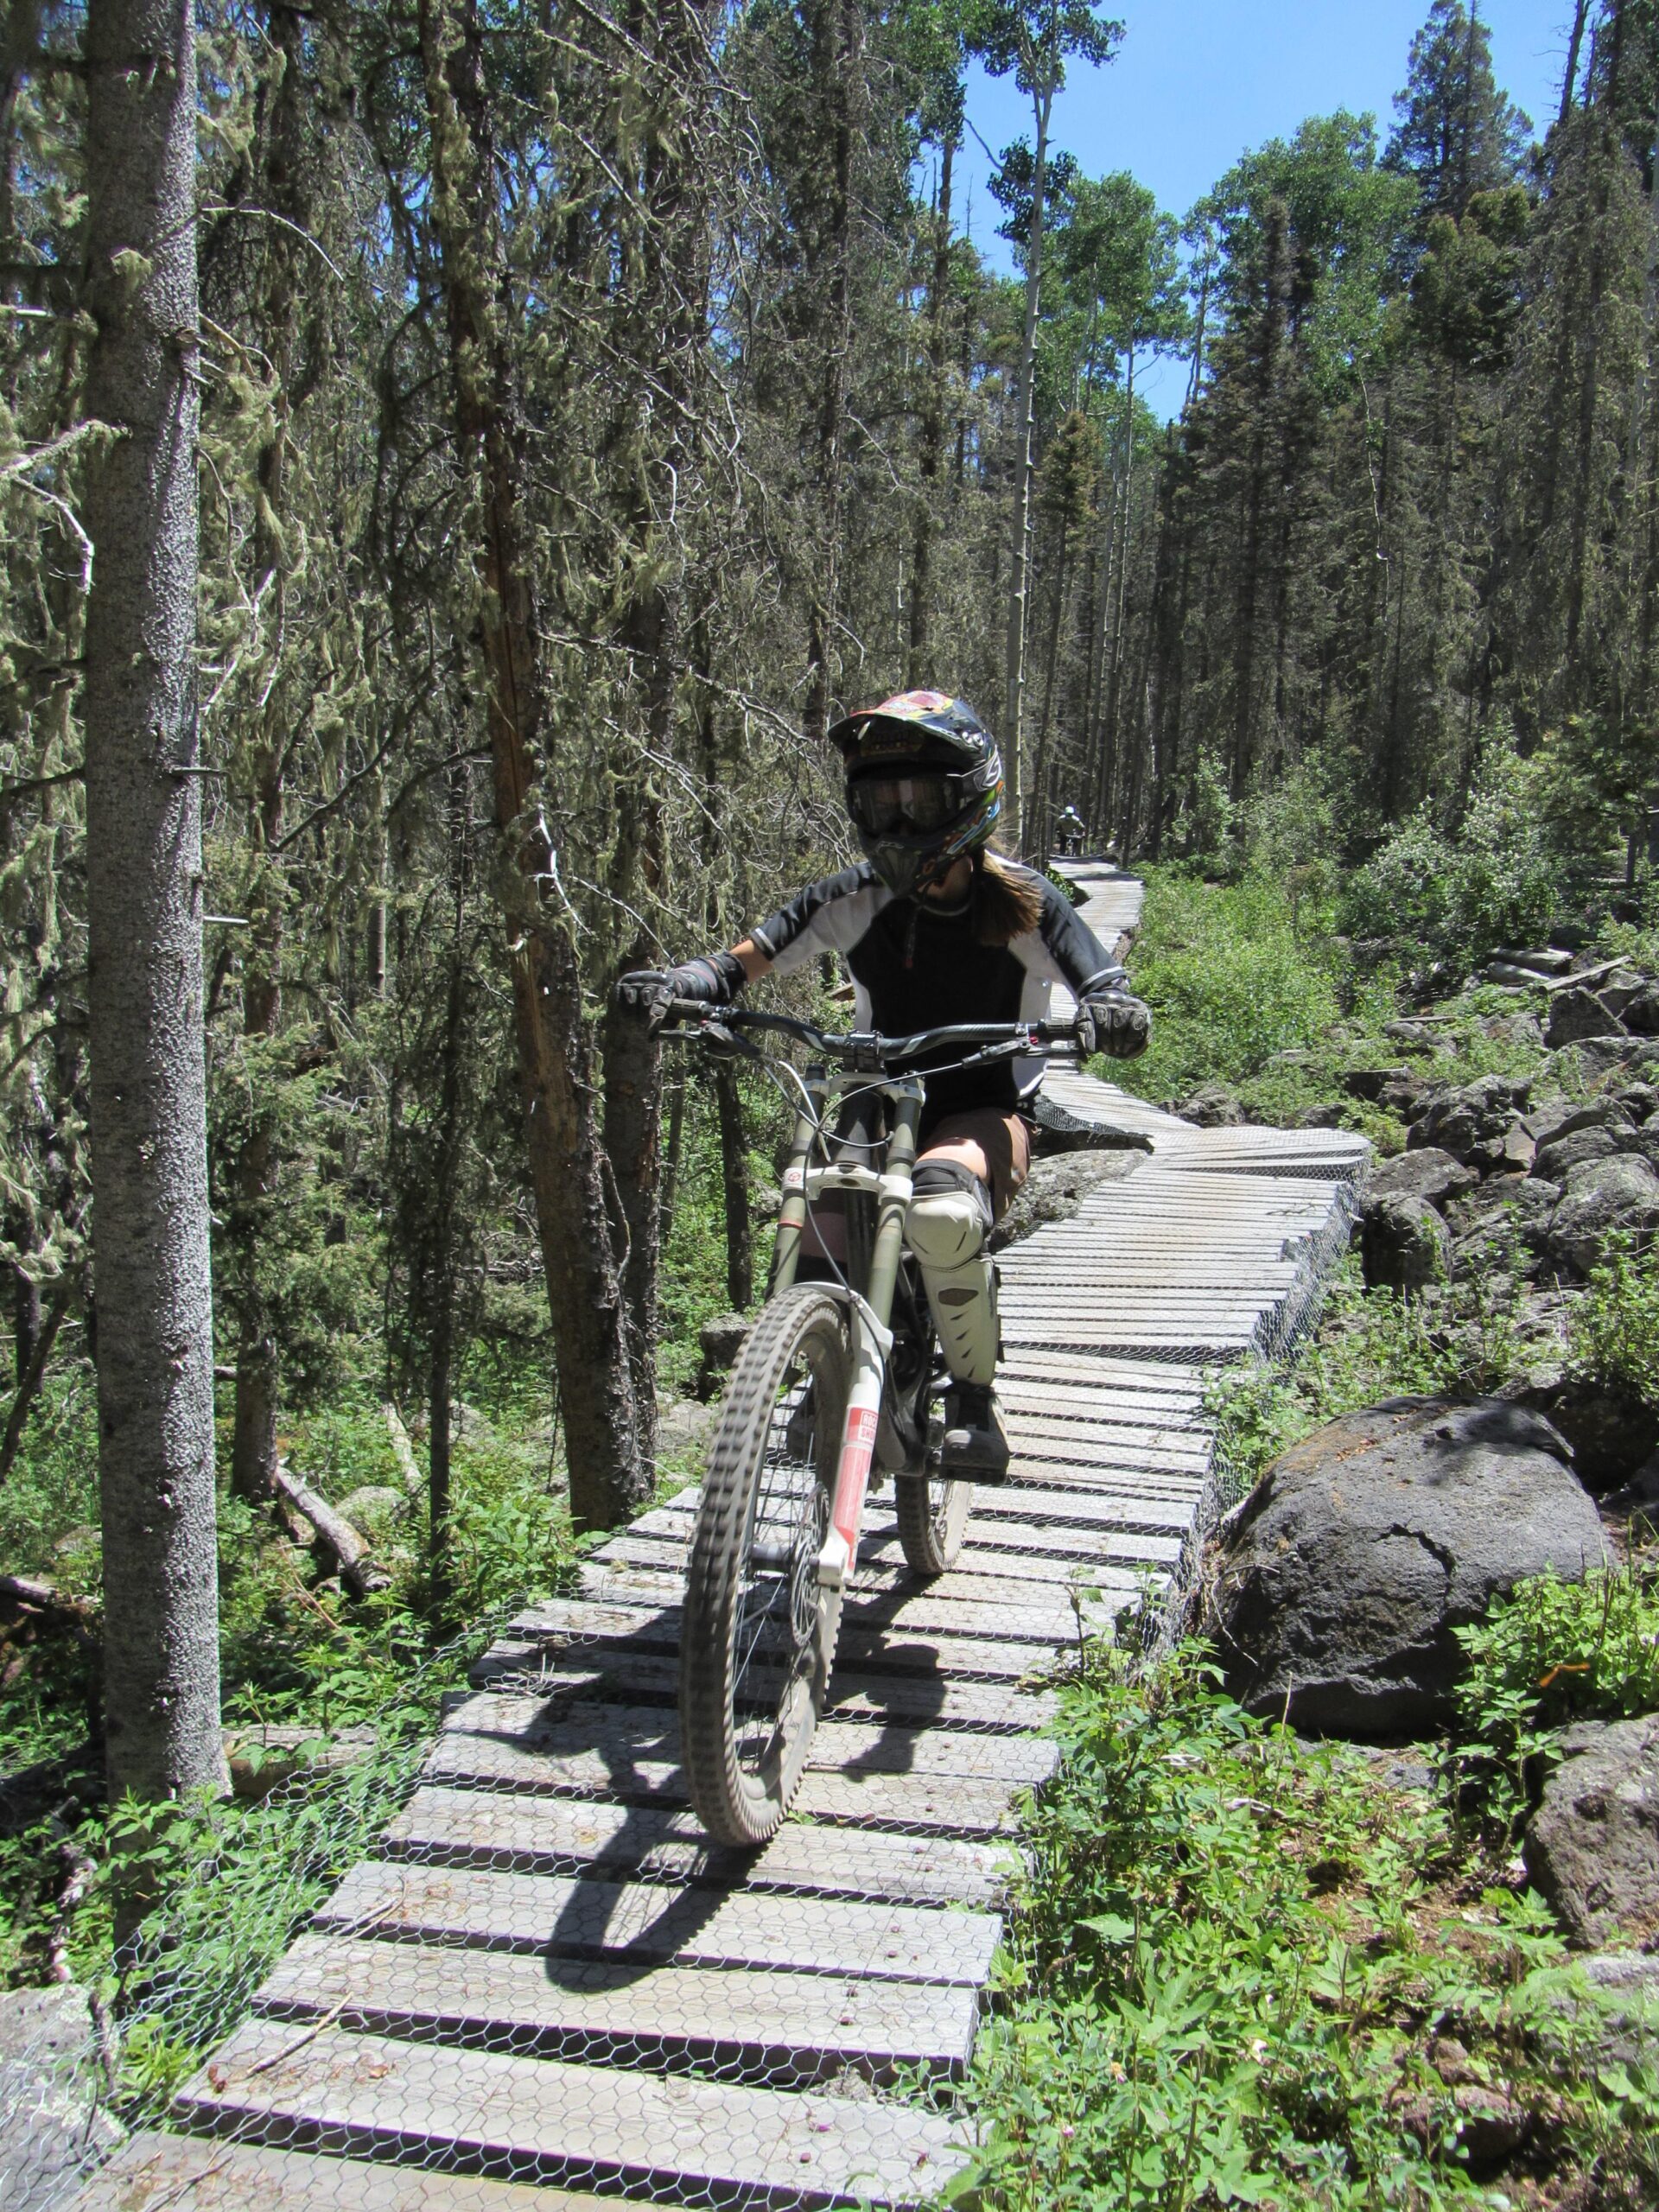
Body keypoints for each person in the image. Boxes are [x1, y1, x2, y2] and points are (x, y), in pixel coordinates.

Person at [617, 690, 1150, 1478]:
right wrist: (686, 983)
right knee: (812, 1227)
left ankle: (974, 1397)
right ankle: (828, 1361)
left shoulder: (1027, 902)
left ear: (972, 798)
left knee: (939, 1210)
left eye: (921, 800)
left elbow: (1097, 974)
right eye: (882, 802)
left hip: (984, 1102)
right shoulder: (852, 895)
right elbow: (745, 960)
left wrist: (1111, 1005)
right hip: (877, 1094)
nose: (900, 823)